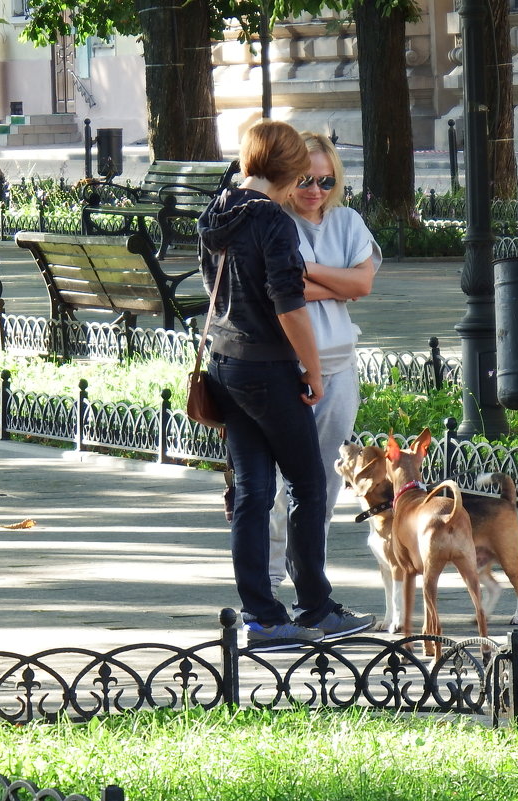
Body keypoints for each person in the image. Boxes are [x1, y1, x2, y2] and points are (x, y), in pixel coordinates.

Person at [197, 120, 375, 649]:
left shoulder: (219, 209)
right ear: (292, 169)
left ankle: (262, 617)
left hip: (224, 361)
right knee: (307, 484)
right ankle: (316, 606)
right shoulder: (272, 220)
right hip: (270, 369)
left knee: (253, 491)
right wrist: (313, 370)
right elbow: (289, 302)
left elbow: (216, 283)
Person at [267, 132, 382, 596]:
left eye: (325, 179)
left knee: (325, 485)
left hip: (338, 366)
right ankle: (270, 578)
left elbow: (363, 287)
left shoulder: (348, 222)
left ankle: (309, 578)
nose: (314, 189)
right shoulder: (274, 223)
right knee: (278, 483)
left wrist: (306, 273)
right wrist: (342, 281)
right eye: (304, 179)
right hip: (285, 367)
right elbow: (277, 290)